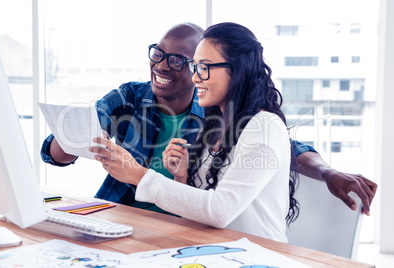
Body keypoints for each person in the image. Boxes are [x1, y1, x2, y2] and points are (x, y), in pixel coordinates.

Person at [40, 22, 377, 216]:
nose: (160, 66)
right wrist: (70, 142)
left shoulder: (225, 118)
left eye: (178, 61)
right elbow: (65, 146)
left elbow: (286, 147)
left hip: (188, 227)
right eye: (157, 53)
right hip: (132, 216)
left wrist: (327, 171)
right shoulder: (132, 96)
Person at [90, 22, 296, 242]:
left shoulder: (265, 127)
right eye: (195, 67)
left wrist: (138, 176)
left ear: (237, 70)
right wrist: (182, 177)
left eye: (205, 68)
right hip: (214, 251)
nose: (196, 77)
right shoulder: (216, 125)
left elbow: (220, 211)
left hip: (259, 256)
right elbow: (197, 212)